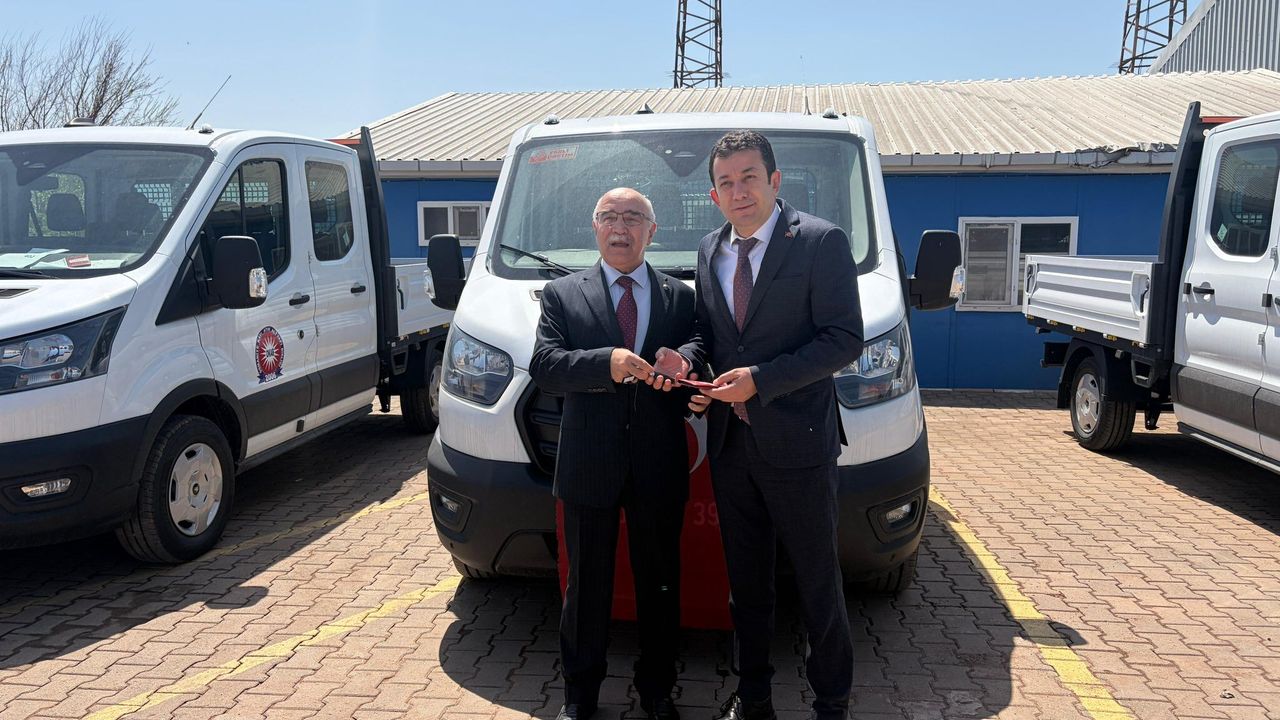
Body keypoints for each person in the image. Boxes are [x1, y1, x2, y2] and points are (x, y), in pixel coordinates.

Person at [666, 130, 864, 720]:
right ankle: (753, 697)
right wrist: (689, 363)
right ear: (713, 194)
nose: (739, 191)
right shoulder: (710, 249)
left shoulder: (821, 241)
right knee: (747, 583)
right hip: (733, 446)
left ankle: (832, 702)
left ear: (775, 181)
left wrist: (762, 379)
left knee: (817, 581)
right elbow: (708, 333)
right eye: (726, 182)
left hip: (800, 444)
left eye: (749, 177)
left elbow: (843, 339)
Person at [529, 188, 704, 720]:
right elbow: (545, 365)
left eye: (632, 218)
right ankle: (580, 696)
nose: (620, 227)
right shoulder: (562, 294)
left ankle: (658, 690)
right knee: (586, 587)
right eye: (609, 217)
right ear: (595, 227)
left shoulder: (680, 297)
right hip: (589, 462)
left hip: (659, 462)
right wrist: (606, 362)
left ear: (652, 231)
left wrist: (685, 359)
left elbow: (701, 344)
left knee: (660, 582)